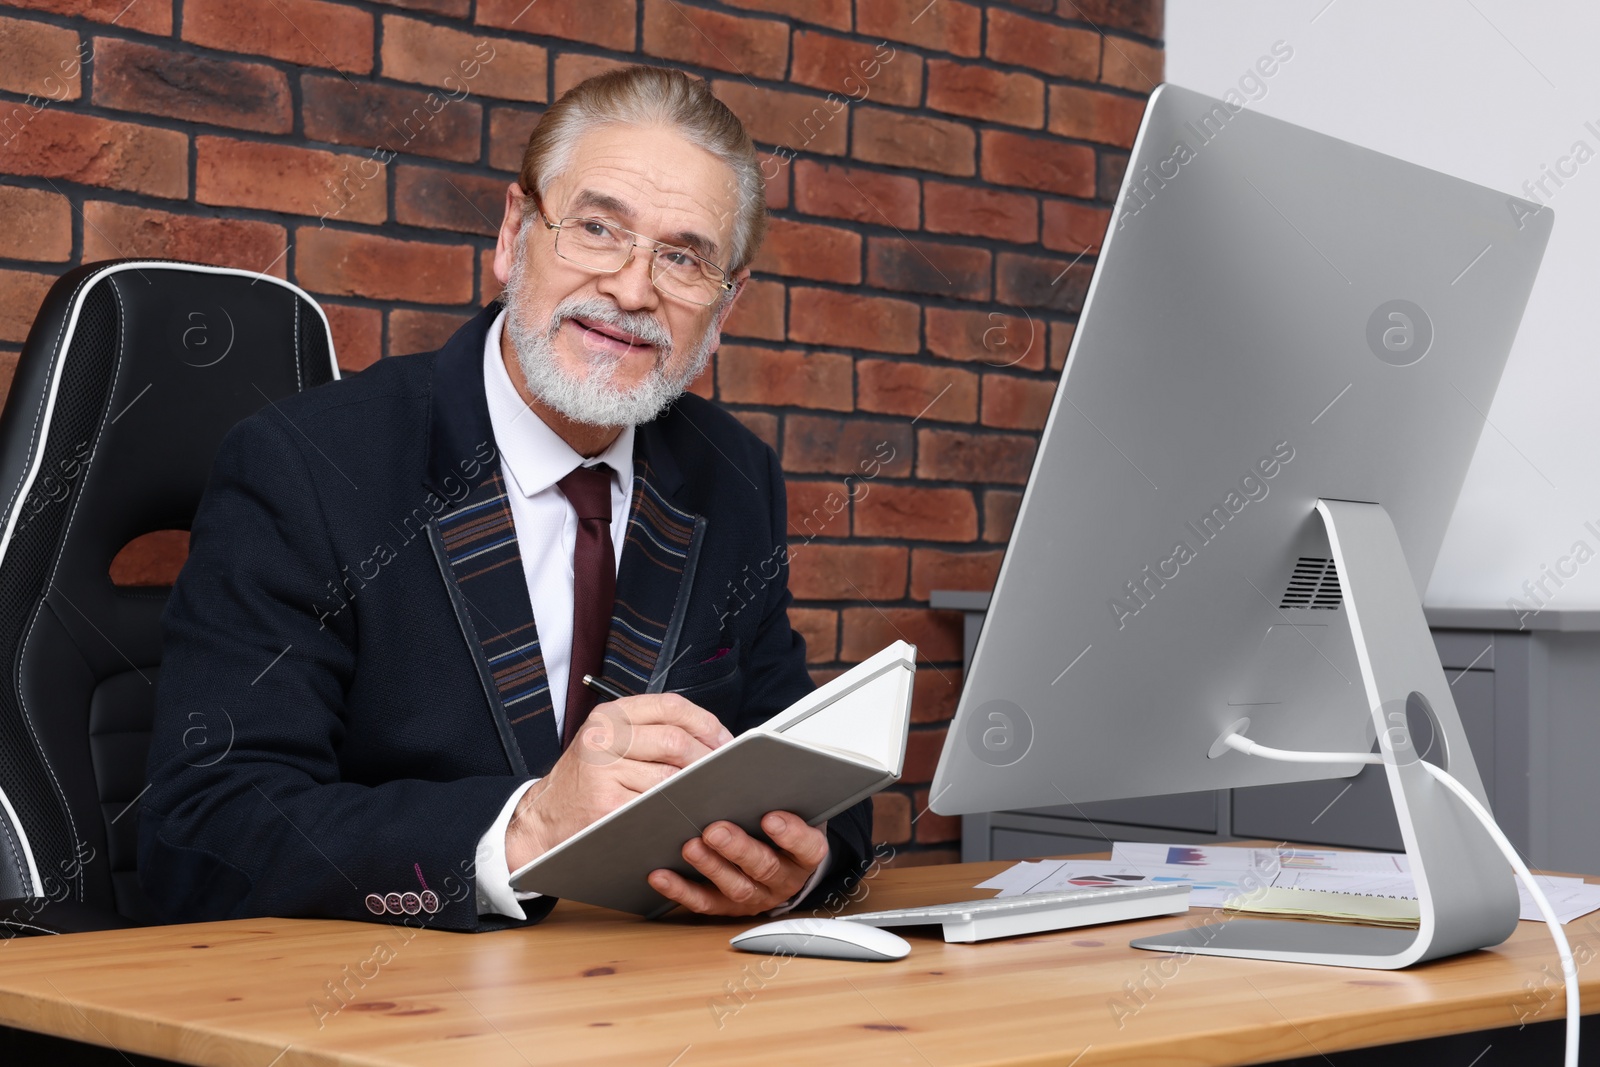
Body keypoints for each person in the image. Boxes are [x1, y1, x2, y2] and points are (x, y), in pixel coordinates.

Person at [139, 65, 872, 931]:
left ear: (725, 306)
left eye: (682, 257)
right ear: (515, 233)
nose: (633, 290)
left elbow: (814, 779)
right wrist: (522, 831)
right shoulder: (308, 465)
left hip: (647, 1003)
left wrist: (795, 862)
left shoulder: (733, 476)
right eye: (598, 229)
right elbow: (204, 833)